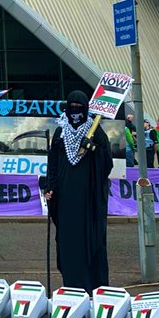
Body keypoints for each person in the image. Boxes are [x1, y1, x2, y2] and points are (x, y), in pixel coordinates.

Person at [44, 91, 114, 291]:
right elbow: (53, 163)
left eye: (79, 106)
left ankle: (94, 286)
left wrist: (92, 149)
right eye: (72, 105)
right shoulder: (61, 132)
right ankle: (72, 285)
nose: (75, 110)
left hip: (88, 199)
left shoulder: (95, 131)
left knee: (91, 241)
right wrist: (51, 185)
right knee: (68, 241)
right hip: (66, 198)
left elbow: (106, 163)